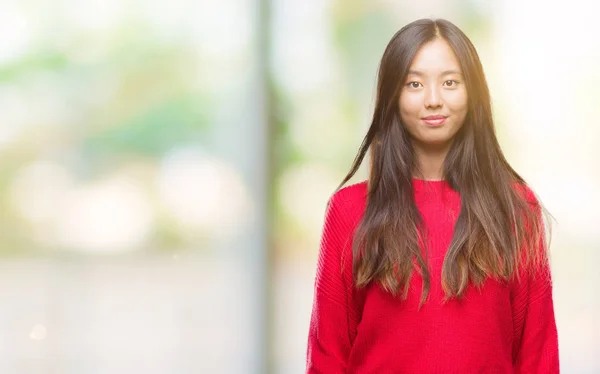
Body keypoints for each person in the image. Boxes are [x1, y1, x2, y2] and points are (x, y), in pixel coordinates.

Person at [305, 18, 559, 373]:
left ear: (474, 94)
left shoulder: (516, 207)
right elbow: (328, 356)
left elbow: (538, 354)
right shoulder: (349, 211)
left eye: (450, 82)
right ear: (393, 95)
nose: (434, 100)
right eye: (414, 83)